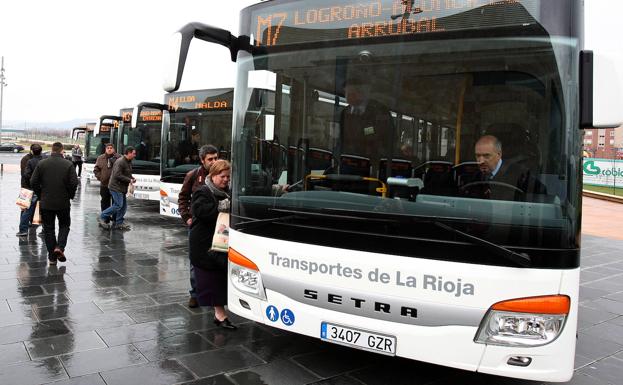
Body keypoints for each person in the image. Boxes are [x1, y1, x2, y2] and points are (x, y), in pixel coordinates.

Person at [189, 160, 236, 329]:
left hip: (221, 242)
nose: (225, 180)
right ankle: (220, 315)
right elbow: (201, 212)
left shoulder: (228, 192)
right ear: (213, 176)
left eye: (228, 177)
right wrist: (221, 207)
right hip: (205, 245)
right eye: (222, 176)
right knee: (212, 280)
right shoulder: (203, 191)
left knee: (220, 278)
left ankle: (220, 313)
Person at [178, 145, 219, 308]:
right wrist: (187, 217)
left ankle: (215, 293)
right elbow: (183, 197)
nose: (214, 161)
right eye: (210, 159)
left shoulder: (222, 174)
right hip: (198, 228)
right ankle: (195, 294)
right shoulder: (193, 175)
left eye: (216, 158)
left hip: (218, 226)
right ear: (202, 160)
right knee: (196, 261)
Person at [30, 142, 79, 265]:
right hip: (63, 202)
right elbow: (74, 183)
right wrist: (70, 195)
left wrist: (40, 193)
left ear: (52, 150)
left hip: (46, 202)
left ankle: (52, 258)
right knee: (64, 225)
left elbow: (33, 181)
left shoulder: (42, 163)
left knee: (48, 229)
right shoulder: (68, 164)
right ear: (62, 150)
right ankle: (60, 247)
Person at [339, 74, 391, 176]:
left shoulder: (380, 110)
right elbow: (341, 138)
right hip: (348, 163)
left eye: (352, 93)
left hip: (373, 164)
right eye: (346, 93)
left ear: (362, 93)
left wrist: (364, 131)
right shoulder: (344, 113)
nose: (348, 96)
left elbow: (380, 131)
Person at [469, 134, 545, 201]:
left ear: (499, 154)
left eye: (486, 156)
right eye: (478, 156)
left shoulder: (521, 175)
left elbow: (541, 195)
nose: (481, 161)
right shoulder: (473, 176)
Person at [99, 146, 136, 230]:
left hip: (122, 187)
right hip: (116, 187)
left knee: (123, 206)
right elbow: (117, 175)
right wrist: (129, 179)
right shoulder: (120, 162)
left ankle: (119, 223)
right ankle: (102, 216)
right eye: (133, 153)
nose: (135, 155)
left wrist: (131, 178)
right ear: (129, 153)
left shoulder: (128, 161)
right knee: (118, 205)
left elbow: (126, 173)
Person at [17, 144, 43, 237]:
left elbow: (25, 175)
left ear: (31, 150)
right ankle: (37, 226)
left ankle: (24, 229)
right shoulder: (43, 159)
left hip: (28, 187)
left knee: (25, 210)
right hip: (35, 188)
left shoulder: (28, 160)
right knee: (40, 209)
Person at [93, 143, 121, 214]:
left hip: (115, 185)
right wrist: (101, 177)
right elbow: (96, 169)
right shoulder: (100, 158)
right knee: (105, 202)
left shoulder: (119, 158)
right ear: (105, 149)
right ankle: (105, 219)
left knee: (116, 203)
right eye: (108, 148)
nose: (109, 149)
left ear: (113, 149)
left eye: (111, 148)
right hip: (104, 185)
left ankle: (115, 219)